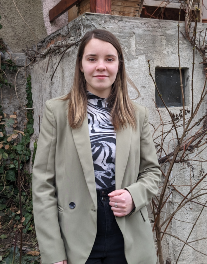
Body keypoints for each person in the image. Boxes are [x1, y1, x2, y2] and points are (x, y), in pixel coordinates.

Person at [32, 29, 161, 264]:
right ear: (81, 65)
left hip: (127, 230)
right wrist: (53, 251)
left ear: (119, 65)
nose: (101, 66)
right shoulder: (57, 112)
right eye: (92, 59)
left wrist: (134, 196)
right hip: (76, 234)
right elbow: (43, 183)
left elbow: (153, 173)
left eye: (109, 59)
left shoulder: (137, 115)